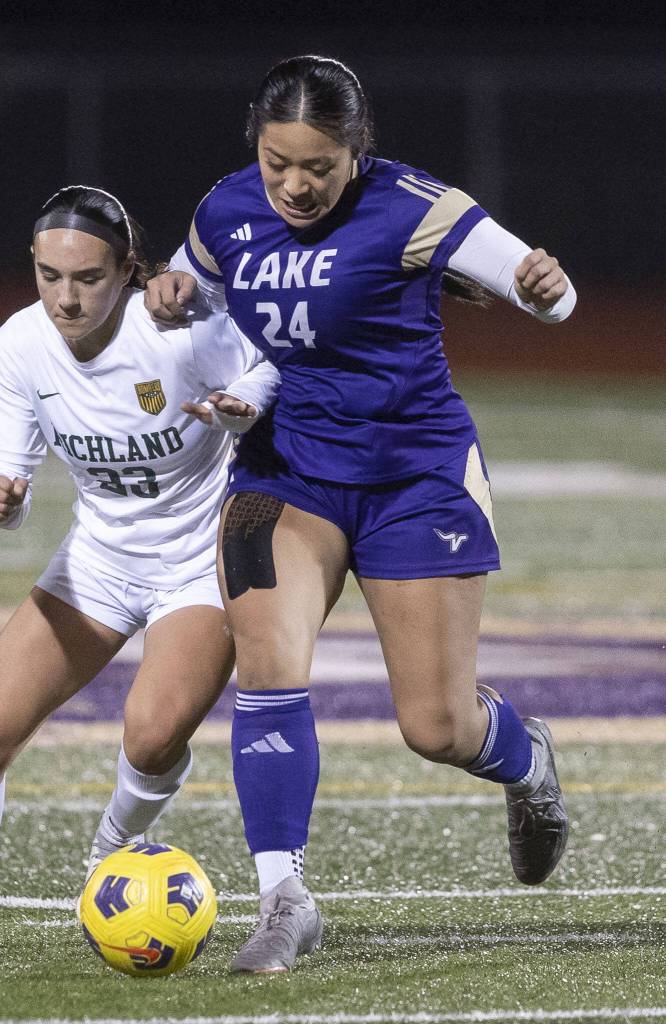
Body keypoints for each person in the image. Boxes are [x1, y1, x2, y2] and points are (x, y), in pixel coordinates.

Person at [145, 54, 576, 974]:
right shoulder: (225, 208)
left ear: (358, 153)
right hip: (285, 470)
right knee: (267, 662)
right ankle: (283, 900)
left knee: (437, 727)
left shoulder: (418, 207)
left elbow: (552, 295)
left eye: (319, 166)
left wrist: (544, 290)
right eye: (278, 165)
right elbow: (200, 291)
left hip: (412, 475)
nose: (296, 185)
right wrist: (173, 296)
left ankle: (524, 757)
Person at [0, 184, 279, 954]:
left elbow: (272, 366)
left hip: (196, 564)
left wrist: (242, 402)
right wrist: (2, 499)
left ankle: (108, 859)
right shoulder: (20, 342)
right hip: (96, 561)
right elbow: (9, 472)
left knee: (153, 734)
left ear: (129, 270)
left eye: (88, 279)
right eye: (49, 276)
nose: (65, 298)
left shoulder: (178, 327)